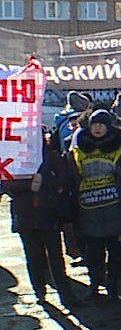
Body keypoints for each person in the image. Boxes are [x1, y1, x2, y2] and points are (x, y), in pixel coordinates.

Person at [4, 127, 78, 304]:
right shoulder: (15, 160)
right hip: (25, 215)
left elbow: (66, 180)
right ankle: (40, 293)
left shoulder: (52, 156)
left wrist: (45, 182)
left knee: (55, 256)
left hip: (49, 214)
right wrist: (29, 185)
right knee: (33, 256)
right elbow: (7, 185)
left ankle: (66, 295)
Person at [69, 109, 121, 302]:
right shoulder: (79, 147)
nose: (97, 128)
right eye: (94, 124)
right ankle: (94, 285)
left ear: (108, 126)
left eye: (101, 124)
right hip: (88, 206)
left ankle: (112, 287)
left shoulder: (119, 147)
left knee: (114, 248)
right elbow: (73, 172)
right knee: (93, 251)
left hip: (112, 205)